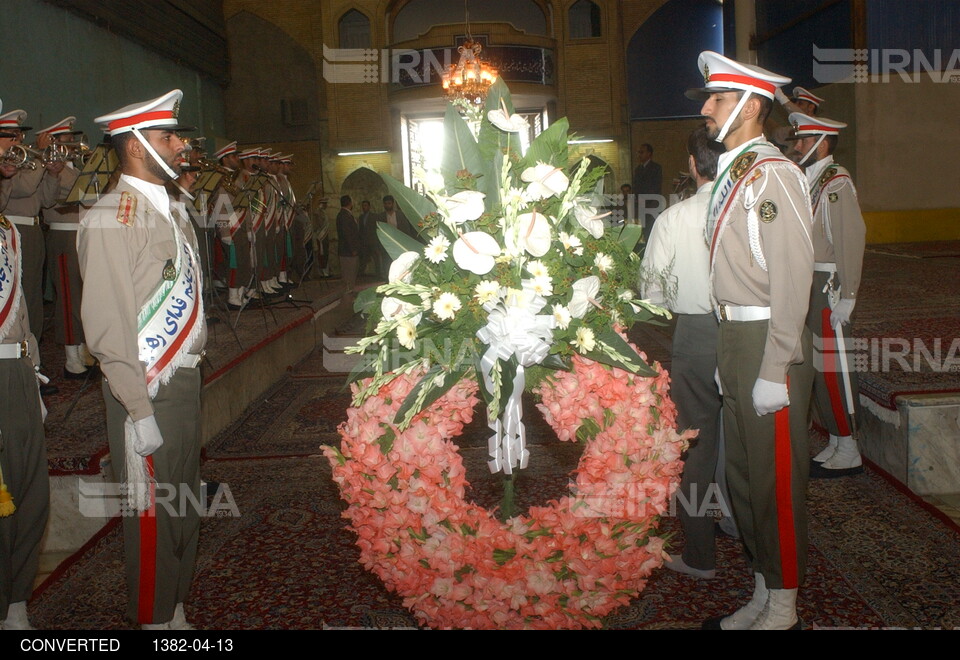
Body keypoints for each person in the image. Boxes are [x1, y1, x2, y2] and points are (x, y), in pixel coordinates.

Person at [688, 51, 815, 630]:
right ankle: (765, 587)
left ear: (749, 105)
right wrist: (728, 353)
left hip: (770, 337)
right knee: (741, 476)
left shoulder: (774, 174)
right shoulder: (738, 172)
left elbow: (792, 275)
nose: (708, 108)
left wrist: (774, 364)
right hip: (736, 335)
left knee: (775, 480)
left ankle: (785, 602)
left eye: (716, 98)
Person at [77, 89, 206, 630]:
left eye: (176, 135)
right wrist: (138, 408)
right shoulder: (111, 216)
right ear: (135, 146)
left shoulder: (172, 209)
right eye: (168, 137)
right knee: (153, 513)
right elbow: (107, 325)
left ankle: (174, 605)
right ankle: (153, 621)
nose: (180, 146)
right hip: (148, 388)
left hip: (185, 381)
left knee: (184, 503)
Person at [640, 127, 728, 581]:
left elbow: (653, 292)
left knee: (696, 443)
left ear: (693, 165)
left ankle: (700, 554)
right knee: (743, 439)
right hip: (749, 332)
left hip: (695, 334)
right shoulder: (745, 210)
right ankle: (739, 525)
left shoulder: (674, 218)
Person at [787, 113, 866, 479]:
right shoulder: (812, 181)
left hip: (828, 285)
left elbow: (850, 239)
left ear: (823, 143)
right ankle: (836, 439)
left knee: (835, 367)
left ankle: (849, 445)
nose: (797, 146)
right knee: (819, 367)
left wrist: (848, 294)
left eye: (804, 140)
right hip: (810, 283)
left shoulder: (836, 183)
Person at [0, 97, 49, 632]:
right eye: (3, 141)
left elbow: (20, 313)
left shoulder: (6, 229)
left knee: (28, 487)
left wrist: (31, 373)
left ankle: (16, 599)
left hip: (15, 367)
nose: (11, 148)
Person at [0, 109, 60, 395]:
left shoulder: (27, 161)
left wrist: (52, 172)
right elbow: (23, 189)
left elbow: (46, 198)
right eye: (13, 135)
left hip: (34, 230)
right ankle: (22, 365)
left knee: (33, 299)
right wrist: (39, 158)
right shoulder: (14, 164)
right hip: (15, 228)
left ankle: (34, 363)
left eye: (20, 135)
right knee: (17, 300)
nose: (19, 139)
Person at [38, 116, 99, 380]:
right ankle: (72, 359)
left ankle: (84, 351)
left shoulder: (73, 167)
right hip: (63, 236)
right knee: (67, 295)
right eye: (66, 140)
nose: (73, 143)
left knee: (83, 296)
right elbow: (53, 200)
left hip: (81, 234)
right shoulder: (50, 167)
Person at [632, 143, 663, 238]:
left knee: (652, 231)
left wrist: (646, 200)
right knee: (643, 232)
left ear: (649, 153)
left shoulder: (656, 168)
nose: (640, 155)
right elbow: (636, 187)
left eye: (642, 152)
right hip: (641, 205)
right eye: (639, 152)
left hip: (652, 204)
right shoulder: (638, 169)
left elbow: (655, 186)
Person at [336, 194, 360, 297]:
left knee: (350, 270)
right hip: (347, 250)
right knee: (349, 270)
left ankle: (350, 288)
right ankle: (348, 289)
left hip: (347, 249)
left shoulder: (345, 214)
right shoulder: (344, 215)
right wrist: (353, 248)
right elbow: (347, 234)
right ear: (350, 203)